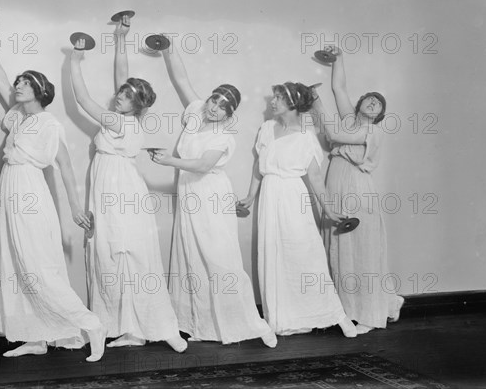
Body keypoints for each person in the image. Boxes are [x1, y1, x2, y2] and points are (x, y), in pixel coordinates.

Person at [0, 19, 107, 362]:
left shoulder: (50, 124)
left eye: (25, 82)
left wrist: (77, 208)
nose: (18, 85)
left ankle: (91, 325)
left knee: (37, 267)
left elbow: (64, 166)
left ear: (40, 90)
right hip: (10, 189)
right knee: (15, 264)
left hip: (31, 196)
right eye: (19, 81)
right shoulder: (18, 117)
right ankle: (35, 337)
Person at [69, 16, 187, 353]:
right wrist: (121, 39)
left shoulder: (117, 122)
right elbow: (123, 77)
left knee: (126, 253)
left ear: (136, 105)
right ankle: (132, 329)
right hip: (116, 185)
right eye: (121, 93)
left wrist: (74, 61)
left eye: (126, 96)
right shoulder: (129, 118)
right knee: (119, 255)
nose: (119, 95)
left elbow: (82, 99)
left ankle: (161, 327)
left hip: (118, 188)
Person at [150, 38, 277, 347]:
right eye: (214, 100)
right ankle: (202, 326)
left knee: (221, 259)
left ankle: (254, 323)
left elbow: (202, 165)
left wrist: (168, 160)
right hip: (189, 194)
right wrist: (168, 48)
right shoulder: (195, 111)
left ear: (229, 114)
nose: (214, 107)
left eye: (223, 106)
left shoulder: (223, 137)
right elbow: (181, 79)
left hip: (211, 194)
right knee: (192, 257)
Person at [238, 82, 357, 338]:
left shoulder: (305, 134)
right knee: (273, 256)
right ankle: (280, 320)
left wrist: (329, 210)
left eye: (278, 98)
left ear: (292, 103)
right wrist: (250, 196)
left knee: (305, 254)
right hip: (269, 197)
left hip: (293, 197)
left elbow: (314, 178)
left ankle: (337, 315)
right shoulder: (267, 129)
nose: (272, 102)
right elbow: (259, 167)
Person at [311, 46, 404, 335]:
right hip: (336, 179)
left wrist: (315, 101)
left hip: (357, 186)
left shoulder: (371, 131)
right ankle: (353, 308)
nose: (374, 102)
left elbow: (335, 135)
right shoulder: (351, 119)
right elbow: (339, 87)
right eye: (370, 99)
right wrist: (339, 58)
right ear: (361, 103)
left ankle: (370, 313)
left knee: (362, 246)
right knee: (340, 243)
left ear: (380, 115)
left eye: (379, 103)